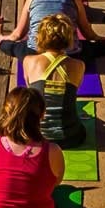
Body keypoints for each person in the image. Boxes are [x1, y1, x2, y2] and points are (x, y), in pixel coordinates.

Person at [20, 15, 87, 147]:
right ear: (69, 38)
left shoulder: (29, 61)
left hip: (35, 136)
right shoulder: (79, 65)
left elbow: (32, 94)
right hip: (70, 137)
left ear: (40, 36)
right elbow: (72, 95)